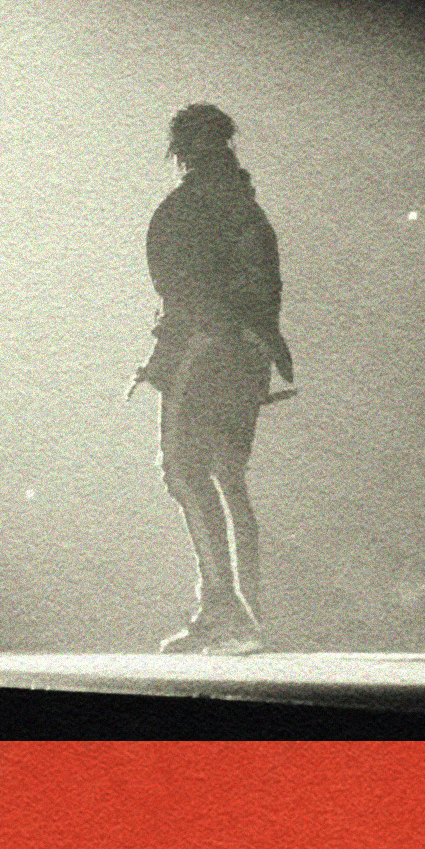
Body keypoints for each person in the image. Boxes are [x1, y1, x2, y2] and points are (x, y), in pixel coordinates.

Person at [133, 103, 295, 655]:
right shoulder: (247, 207)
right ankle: (247, 612)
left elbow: (184, 294)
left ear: (178, 149)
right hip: (248, 355)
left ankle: (226, 611)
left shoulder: (188, 208)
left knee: (182, 468)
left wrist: (171, 356)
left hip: (206, 353)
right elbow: (264, 288)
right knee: (227, 473)